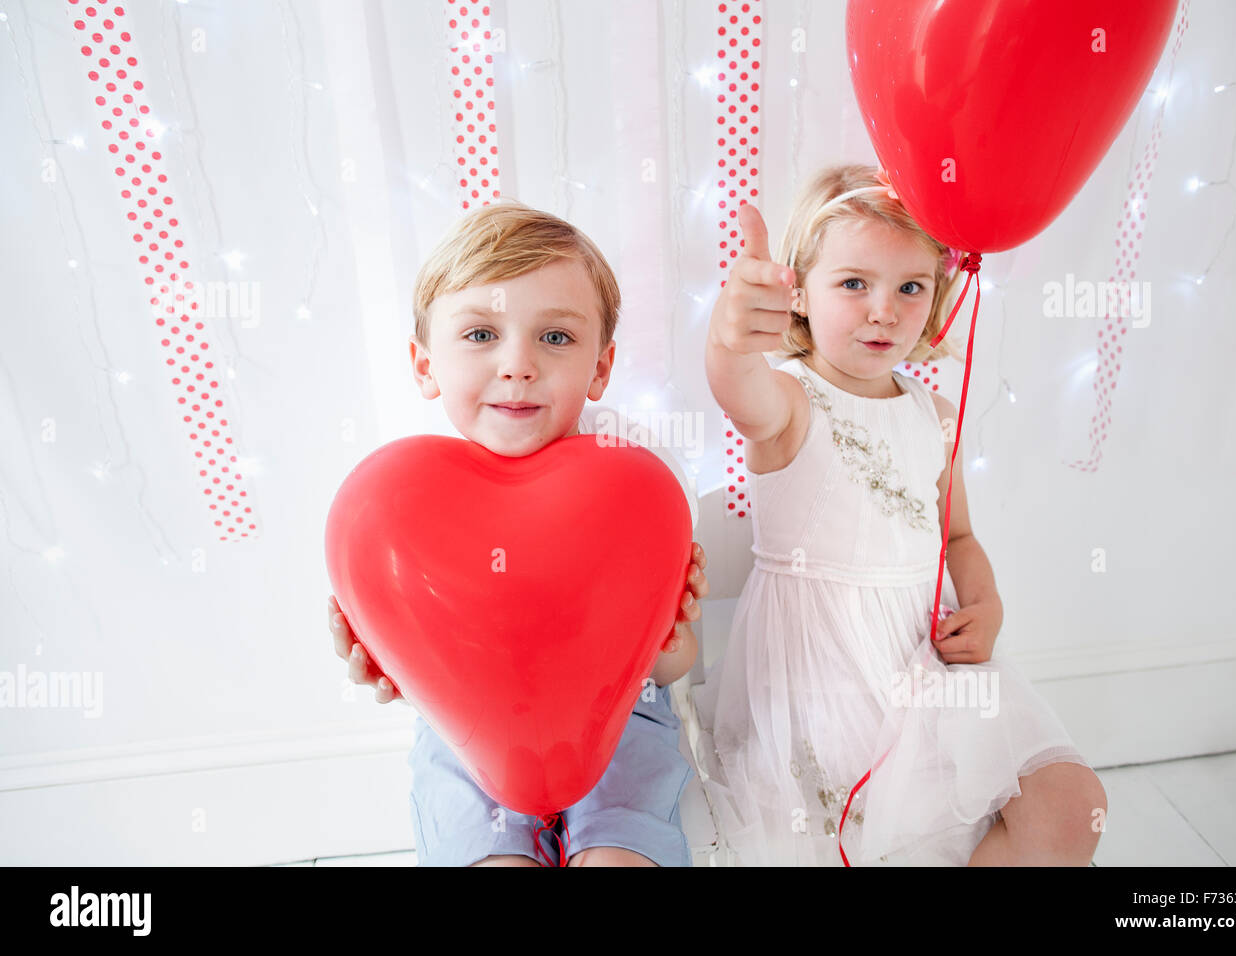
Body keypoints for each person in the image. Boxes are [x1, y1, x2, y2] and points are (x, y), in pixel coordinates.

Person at [694, 163, 1107, 866]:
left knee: (1072, 809)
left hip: (928, 664)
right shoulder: (789, 404)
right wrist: (732, 338)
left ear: (938, 295)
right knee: (869, 833)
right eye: (854, 283)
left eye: (910, 287)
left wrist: (987, 602)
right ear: (798, 294)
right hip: (822, 675)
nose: (883, 309)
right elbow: (737, 389)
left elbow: (961, 536)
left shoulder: (934, 413)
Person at [327, 200, 709, 866]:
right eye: (480, 335)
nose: (518, 365)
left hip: (622, 718)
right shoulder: (401, 504)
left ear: (601, 366)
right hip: (468, 735)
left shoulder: (637, 479)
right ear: (424, 365)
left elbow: (670, 666)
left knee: (624, 856)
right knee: (489, 857)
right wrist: (389, 667)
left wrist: (670, 643)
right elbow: (415, 666)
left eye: (555, 337)